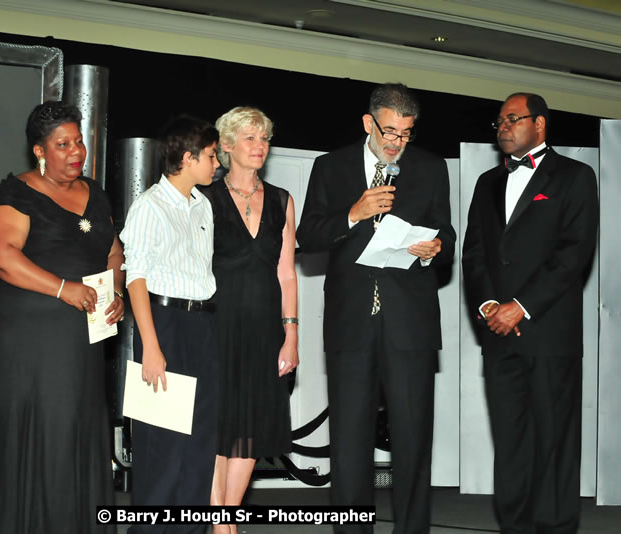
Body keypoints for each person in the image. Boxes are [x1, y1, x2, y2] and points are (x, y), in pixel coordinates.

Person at [296, 83, 455, 534]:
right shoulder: (330, 167)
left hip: (411, 324)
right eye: (389, 132)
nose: (396, 142)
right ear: (368, 123)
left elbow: (448, 238)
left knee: (412, 441)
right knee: (348, 442)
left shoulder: (429, 167)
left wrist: (434, 248)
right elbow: (309, 235)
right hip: (350, 324)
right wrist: (353, 213)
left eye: (406, 134)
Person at [0, 101, 124, 533]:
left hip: (80, 336)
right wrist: (62, 288)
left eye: (78, 141)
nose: (76, 151)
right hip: (27, 334)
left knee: (74, 424)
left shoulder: (96, 193)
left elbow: (112, 250)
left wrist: (117, 289)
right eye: (62, 144)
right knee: (39, 425)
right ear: (39, 150)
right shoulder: (14, 193)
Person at [462, 93, 598, 534]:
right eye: (499, 121)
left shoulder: (575, 176)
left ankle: (556, 528)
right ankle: (514, 527)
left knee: (554, 442)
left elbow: (574, 253)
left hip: (549, 333)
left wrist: (520, 307)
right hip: (499, 336)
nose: (502, 126)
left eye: (512, 119)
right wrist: (487, 306)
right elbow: (474, 255)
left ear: (539, 125)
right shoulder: (486, 182)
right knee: (511, 442)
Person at [120, 115, 220, 534]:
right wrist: (151, 346)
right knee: (162, 446)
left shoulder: (204, 205)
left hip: (203, 325)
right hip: (163, 324)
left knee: (199, 445)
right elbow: (135, 276)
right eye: (212, 156)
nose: (218, 164)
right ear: (187, 157)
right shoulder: (149, 206)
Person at [203, 107, 297, 534]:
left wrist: (291, 334)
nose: (260, 146)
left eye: (265, 139)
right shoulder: (203, 197)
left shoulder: (281, 200)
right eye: (250, 139)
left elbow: (286, 273)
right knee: (216, 425)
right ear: (226, 145)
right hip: (214, 327)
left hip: (265, 330)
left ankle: (225, 521)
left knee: (250, 429)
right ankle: (221, 523)